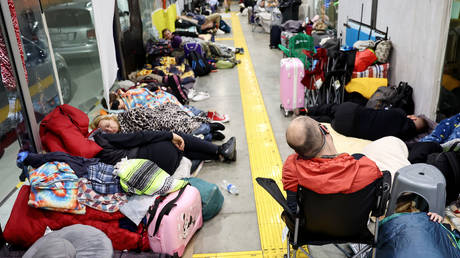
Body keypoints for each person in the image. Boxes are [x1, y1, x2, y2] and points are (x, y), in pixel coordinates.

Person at [282, 116, 383, 212]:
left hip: (310, 227)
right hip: (352, 227)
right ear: (325, 130)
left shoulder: (291, 167)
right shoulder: (367, 168)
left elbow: (292, 207)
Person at [91, 129, 236, 175]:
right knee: (177, 137)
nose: (108, 129)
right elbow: (140, 137)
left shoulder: (91, 158)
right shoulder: (102, 138)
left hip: (159, 170)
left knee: (180, 150)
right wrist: (170, 135)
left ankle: (220, 156)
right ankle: (219, 149)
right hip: (157, 157)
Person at [302, 102, 428, 141]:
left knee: (331, 108)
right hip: (346, 128)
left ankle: (307, 109)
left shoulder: (400, 114)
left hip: (351, 111)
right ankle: (303, 121)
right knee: (328, 121)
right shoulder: (400, 138)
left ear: (413, 118)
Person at [90, 107, 226, 141]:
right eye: (106, 130)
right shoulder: (121, 136)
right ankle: (209, 134)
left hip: (160, 119)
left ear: (112, 119)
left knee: (180, 127)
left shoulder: (127, 116)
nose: (110, 129)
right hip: (156, 132)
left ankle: (207, 127)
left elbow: (151, 116)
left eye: (108, 124)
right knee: (178, 137)